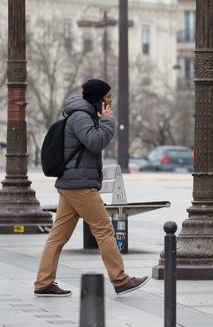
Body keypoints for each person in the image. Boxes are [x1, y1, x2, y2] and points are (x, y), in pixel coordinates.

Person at [35, 79, 148, 297]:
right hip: (80, 185)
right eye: (107, 97)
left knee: (58, 236)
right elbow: (95, 142)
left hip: (73, 183)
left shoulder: (82, 115)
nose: (111, 100)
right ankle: (120, 279)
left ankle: (43, 282)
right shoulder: (80, 117)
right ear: (97, 100)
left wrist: (100, 121)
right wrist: (108, 122)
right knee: (104, 229)